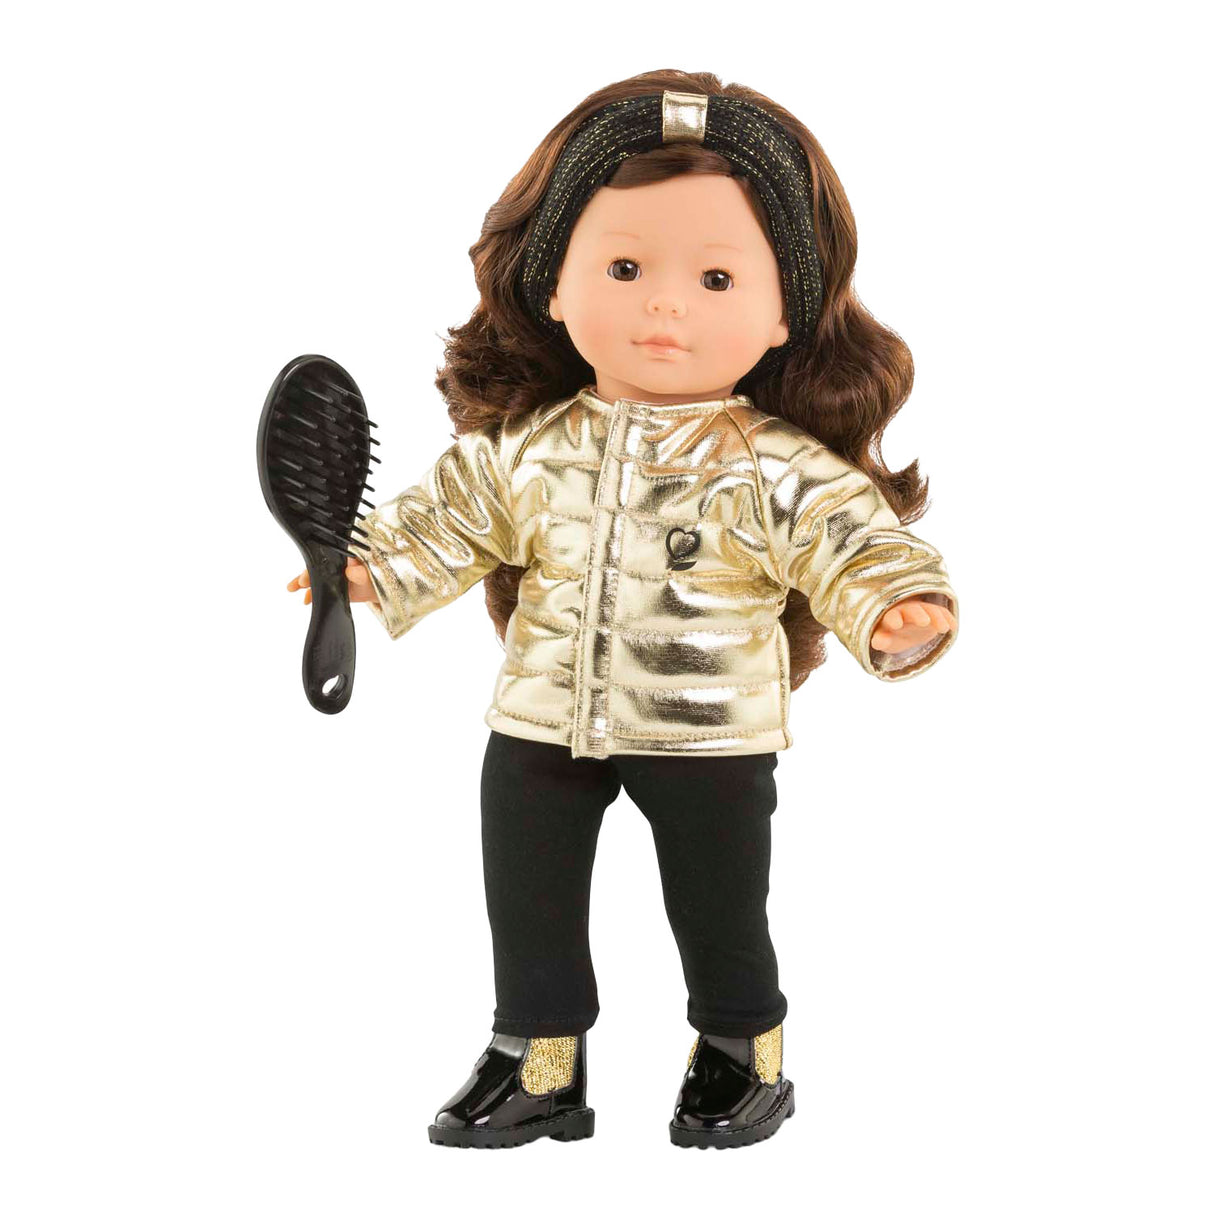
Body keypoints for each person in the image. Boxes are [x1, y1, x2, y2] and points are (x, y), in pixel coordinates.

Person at [286, 70, 959, 1150]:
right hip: (541, 716)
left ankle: (742, 1048)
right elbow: (451, 515)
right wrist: (372, 569)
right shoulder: (530, 448)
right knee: (528, 893)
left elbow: (847, 534)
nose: (664, 304)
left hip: (709, 730)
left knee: (718, 902)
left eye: (714, 277)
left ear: (782, 312)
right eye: (626, 267)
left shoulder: (772, 464)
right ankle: (537, 1057)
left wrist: (893, 602)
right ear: (555, 285)